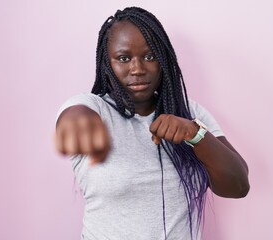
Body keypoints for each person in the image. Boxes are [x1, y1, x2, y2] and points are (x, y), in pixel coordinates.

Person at [55, 6, 249, 240]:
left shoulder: (190, 112)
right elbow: (74, 115)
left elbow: (238, 186)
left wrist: (195, 134)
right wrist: (77, 123)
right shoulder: (94, 108)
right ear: (107, 64)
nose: (137, 69)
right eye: (124, 58)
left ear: (163, 60)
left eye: (150, 56)